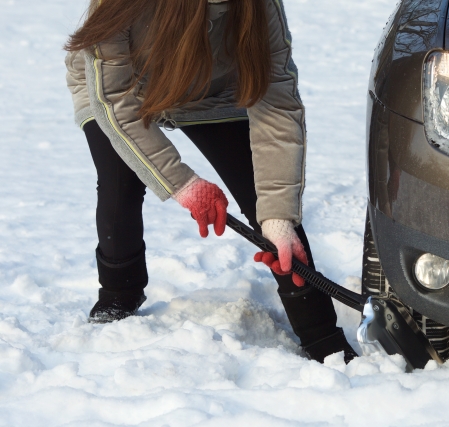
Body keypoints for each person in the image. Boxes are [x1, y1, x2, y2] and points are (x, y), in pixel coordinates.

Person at [64, 0, 356, 363]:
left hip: (211, 91)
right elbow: (112, 100)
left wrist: (278, 218)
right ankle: (118, 292)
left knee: (265, 202)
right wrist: (183, 185)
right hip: (122, 92)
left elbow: (277, 105)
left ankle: (321, 335)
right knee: (121, 181)